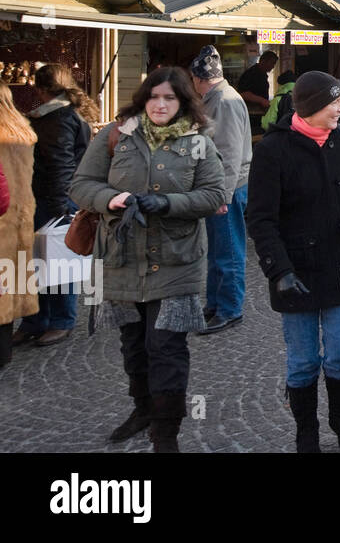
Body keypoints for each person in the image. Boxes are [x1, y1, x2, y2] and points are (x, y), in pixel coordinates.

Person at [70, 68, 225, 451]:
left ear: (183, 102)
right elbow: (80, 185)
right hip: (122, 260)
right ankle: (142, 410)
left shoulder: (199, 140)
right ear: (143, 99)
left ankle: (165, 435)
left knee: (167, 348)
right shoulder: (115, 135)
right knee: (134, 346)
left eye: (170, 98)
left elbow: (214, 195)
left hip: (177, 261)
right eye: (154, 97)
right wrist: (112, 199)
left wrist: (168, 203)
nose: (160, 104)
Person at [245, 72, 340, 452]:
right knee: (302, 361)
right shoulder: (272, 150)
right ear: (313, 106)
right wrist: (278, 271)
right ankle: (306, 428)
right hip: (295, 269)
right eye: (335, 102)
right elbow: (260, 218)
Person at [15, 64, 94, 346]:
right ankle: (38, 319)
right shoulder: (63, 113)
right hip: (52, 197)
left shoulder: (58, 117)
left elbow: (60, 164)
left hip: (54, 199)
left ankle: (59, 320)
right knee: (40, 262)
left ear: (40, 89)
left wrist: (62, 207)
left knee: (57, 262)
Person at [189, 46, 253, 335]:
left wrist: (222, 196)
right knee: (218, 251)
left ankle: (229, 310)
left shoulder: (223, 101)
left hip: (226, 189)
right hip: (221, 188)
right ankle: (216, 304)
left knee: (227, 251)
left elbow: (228, 154)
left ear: (197, 78)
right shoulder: (218, 98)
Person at [0, 85, 38, 370]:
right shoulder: (22, 128)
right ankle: (5, 350)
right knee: (11, 282)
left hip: (3, 216)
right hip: (22, 212)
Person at [237, 51, 278, 132]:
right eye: (272, 63)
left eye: (274, 64)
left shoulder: (262, 74)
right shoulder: (252, 73)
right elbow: (243, 94)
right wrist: (262, 100)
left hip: (260, 114)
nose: (273, 67)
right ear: (263, 61)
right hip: (250, 115)